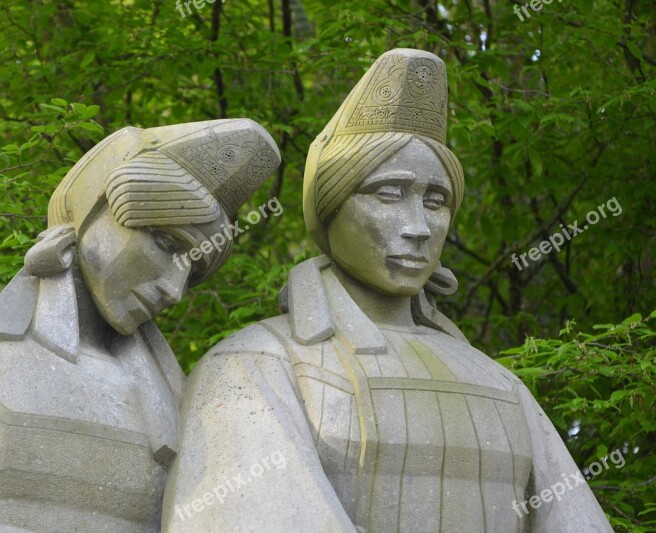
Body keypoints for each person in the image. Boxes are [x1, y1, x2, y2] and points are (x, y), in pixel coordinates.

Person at [163, 50, 612, 532]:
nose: (418, 227)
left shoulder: (501, 385)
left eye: (436, 201)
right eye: (388, 194)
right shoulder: (253, 366)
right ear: (331, 209)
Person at [0, 119, 280, 532]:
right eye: (167, 244)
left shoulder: (188, 410)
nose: (175, 290)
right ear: (96, 208)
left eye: (192, 270)